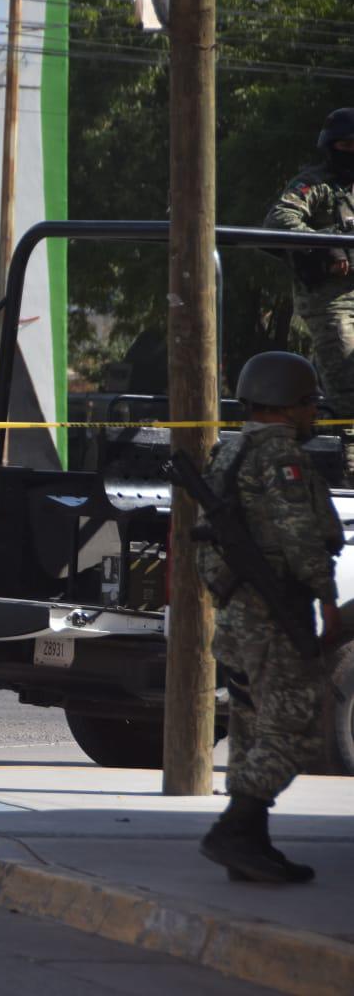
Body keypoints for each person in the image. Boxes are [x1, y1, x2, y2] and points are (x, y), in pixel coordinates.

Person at [197, 351, 343, 884]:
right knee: (297, 727)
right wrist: (326, 599)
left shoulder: (229, 451)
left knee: (252, 726)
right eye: (309, 405)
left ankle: (251, 845)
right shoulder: (282, 456)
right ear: (288, 406)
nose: (314, 415)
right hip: (274, 611)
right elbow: (299, 535)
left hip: (239, 612)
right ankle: (235, 829)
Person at [264, 107, 354, 477]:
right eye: (346, 145)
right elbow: (279, 220)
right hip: (331, 303)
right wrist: (329, 246)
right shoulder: (315, 184)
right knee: (350, 394)